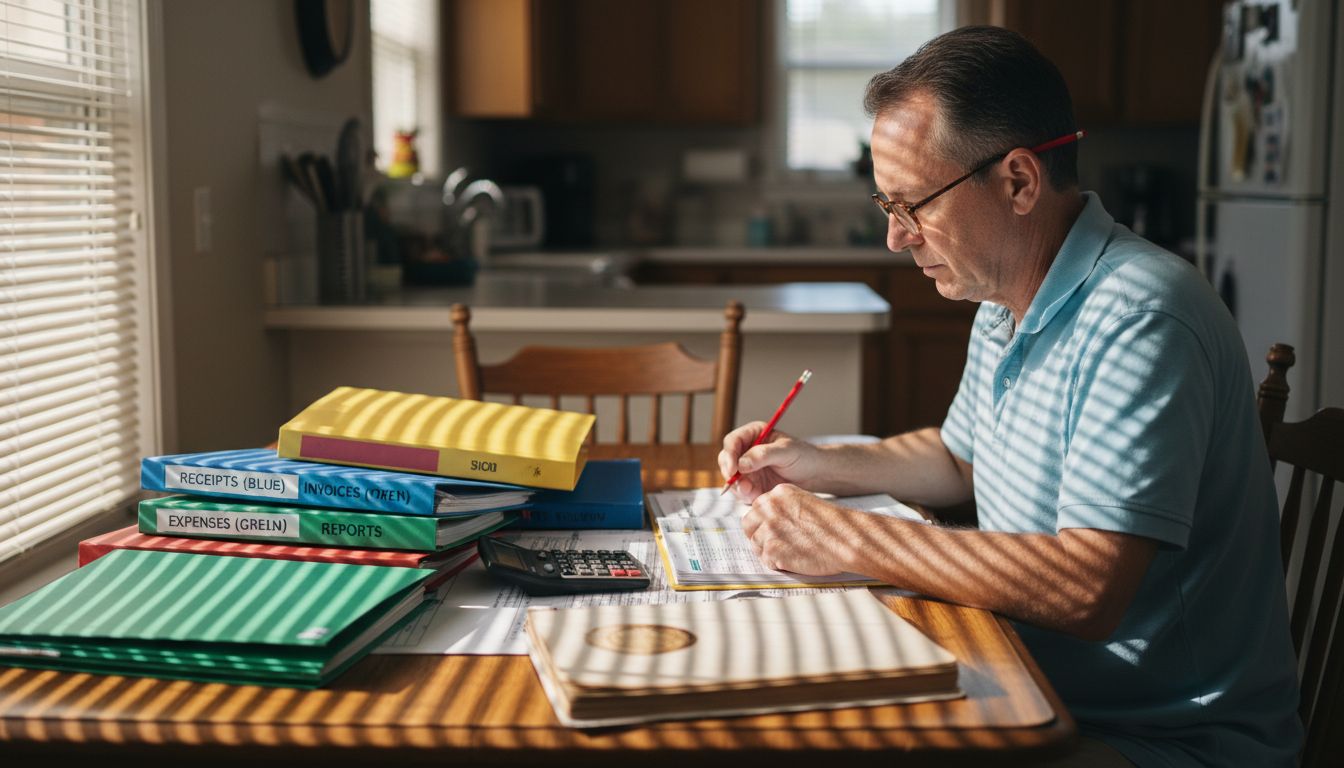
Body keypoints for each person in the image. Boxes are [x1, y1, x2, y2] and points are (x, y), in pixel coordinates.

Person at [719, 26, 1301, 768]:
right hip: (1034, 684)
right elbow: (959, 461)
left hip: (1159, 739)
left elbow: (1087, 589)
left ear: (1019, 182)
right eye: (885, 206)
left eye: (913, 205)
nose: (897, 239)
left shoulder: (1140, 319)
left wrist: (844, 538)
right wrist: (817, 463)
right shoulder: (1004, 296)